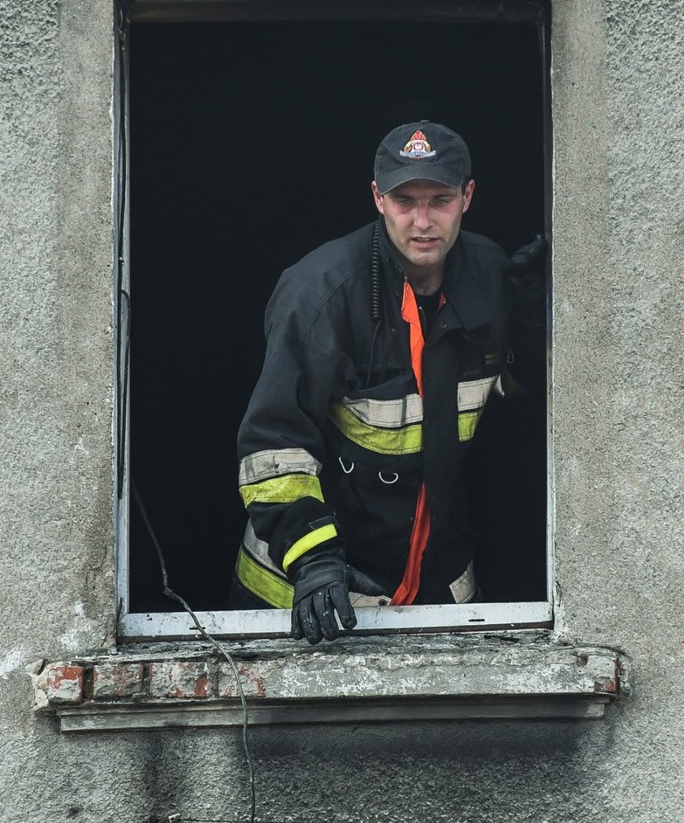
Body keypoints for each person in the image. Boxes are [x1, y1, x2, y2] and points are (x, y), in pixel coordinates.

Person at [228, 122, 548, 643]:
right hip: (301, 593)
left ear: (468, 196)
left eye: (440, 199)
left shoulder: (492, 279)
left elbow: (518, 413)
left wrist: (534, 338)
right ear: (377, 198)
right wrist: (312, 560)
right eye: (405, 200)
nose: (423, 222)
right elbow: (273, 446)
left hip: (437, 589)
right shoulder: (320, 293)